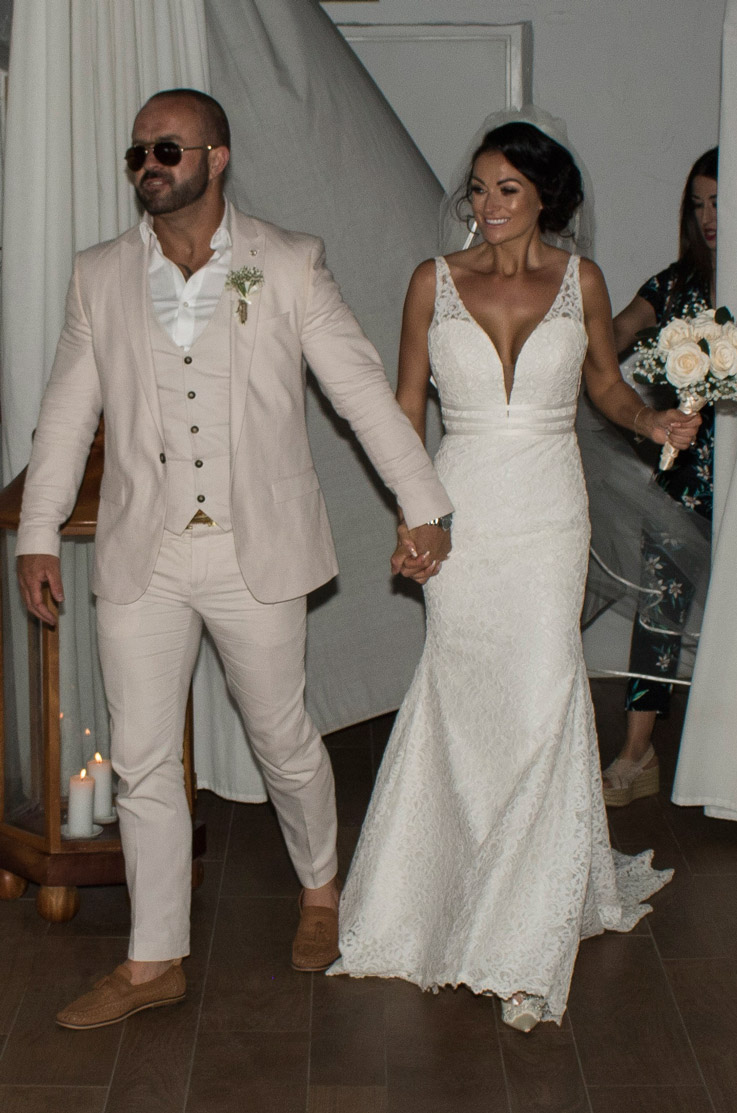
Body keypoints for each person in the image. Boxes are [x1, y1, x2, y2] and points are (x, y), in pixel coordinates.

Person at [15, 88, 453, 1029]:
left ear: (217, 156)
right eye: (136, 155)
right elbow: (65, 414)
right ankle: (152, 957)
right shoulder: (99, 275)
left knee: (281, 739)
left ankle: (321, 888)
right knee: (139, 761)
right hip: (146, 548)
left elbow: (363, 394)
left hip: (256, 546)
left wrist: (424, 506)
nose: (149, 168)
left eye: (166, 149)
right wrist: (38, 532)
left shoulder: (288, 264)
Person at [329, 118, 699, 1031]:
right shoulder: (432, 281)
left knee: (541, 691)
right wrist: (417, 515)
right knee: (461, 689)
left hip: (545, 513)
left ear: (546, 199)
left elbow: (604, 387)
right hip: (462, 506)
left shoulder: (581, 281)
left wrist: (650, 424)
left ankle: (523, 911)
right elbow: (404, 409)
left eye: (507, 191)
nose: (486, 206)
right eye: (480, 188)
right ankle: (445, 879)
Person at [601, 148, 717, 807]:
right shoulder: (671, 284)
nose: (706, 216)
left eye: (717, 201)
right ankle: (636, 750)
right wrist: (585, 342)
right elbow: (619, 328)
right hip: (684, 475)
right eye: (696, 203)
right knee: (658, 603)